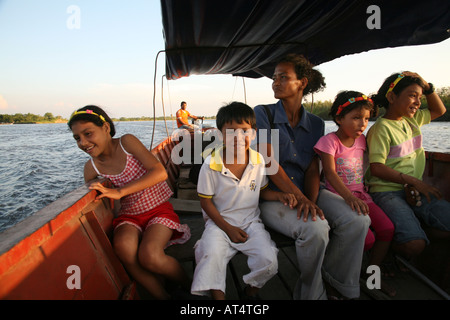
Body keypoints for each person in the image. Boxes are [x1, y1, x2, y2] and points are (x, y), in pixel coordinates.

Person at [254, 54, 370, 300]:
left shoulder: (316, 123)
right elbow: (269, 163)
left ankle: (338, 282)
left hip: (307, 192)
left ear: (302, 83)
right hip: (273, 197)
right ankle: (312, 294)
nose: (275, 82)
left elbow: (311, 169)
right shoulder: (263, 114)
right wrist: (302, 200)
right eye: (274, 78)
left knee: (358, 220)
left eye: (284, 77)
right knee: (316, 229)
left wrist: (313, 200)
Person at [68, 105, 191, 300]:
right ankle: (163, 297)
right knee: (124, 250)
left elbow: (159, 173)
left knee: (150, 256)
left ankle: (191, 289)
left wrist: (119, 191)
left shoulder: (126, 142)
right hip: (129, 217)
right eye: (77, 138)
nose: (83, 142)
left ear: (106, 128)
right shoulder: (91, 168)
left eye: (88, 133)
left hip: (158, 210)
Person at [191, 102, 297, 300]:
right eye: (231, 131)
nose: (238, 138)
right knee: (211, 256)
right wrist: (227, 228)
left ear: (254, 133)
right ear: (221, 134)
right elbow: (206, 203)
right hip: (219, 223)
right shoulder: (210, 164)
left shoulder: (257, 161)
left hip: (250, 222)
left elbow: (262, 191)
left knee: (269, 260)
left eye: (244, 131)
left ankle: (250, 292)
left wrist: (280, 195)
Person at [314, 90, 395, 296]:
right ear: (339, 118)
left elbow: (376, 161)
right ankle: (335, 271)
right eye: (356, 118)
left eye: (367, 119)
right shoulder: (329, 141)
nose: (362, 124)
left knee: (386, 229)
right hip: (338, 196)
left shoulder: (363, 141)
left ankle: (371, 274)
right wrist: (348, 197)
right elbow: (330, 174)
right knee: (367, 240)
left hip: (362, 195)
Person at [366, 71, 450, 261]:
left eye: (420, 97)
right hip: (386, 192)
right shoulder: (381, 129)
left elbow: (439, 110)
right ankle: (389, 249)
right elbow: (377, 168)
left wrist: (428, 87)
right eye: (412, 95)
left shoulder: (413, 119)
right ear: (392, 97)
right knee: (414, 246)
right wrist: (415, 182)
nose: (418, 103)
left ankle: (417, 229)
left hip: (414, 190)